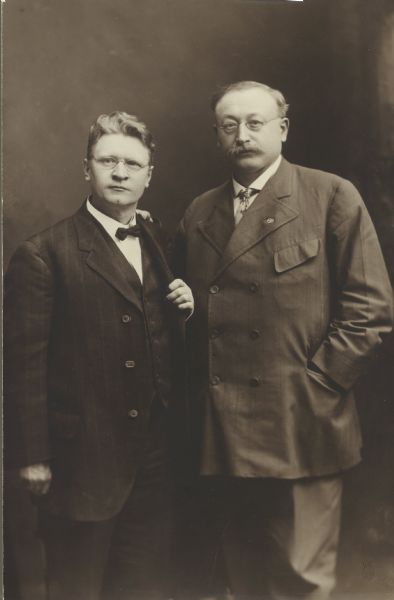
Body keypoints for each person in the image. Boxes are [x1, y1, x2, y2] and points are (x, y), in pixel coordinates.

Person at [174, 81, 393, 599]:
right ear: (217, 137)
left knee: (300, 578)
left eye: (255, 123)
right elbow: (181, 314)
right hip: (225, 431)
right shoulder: (199, 214)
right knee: (242, 576)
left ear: (283, 129)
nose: (242, 135)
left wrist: (317, 383)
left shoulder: (331, 195)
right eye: (229, 126)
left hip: (303, 423)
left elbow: (370, 310)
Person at [4, 111, 193, 600]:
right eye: (107, 160)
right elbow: (23, 365)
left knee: (142, 586)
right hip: (79, 458)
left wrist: (184, 313)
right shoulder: (44, 253)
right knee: (77, 587)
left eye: (133, 164)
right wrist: (33, 457)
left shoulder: (157, 241)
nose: (120, 173)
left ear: (149, 176)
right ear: (85, 168)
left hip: (154, 457)